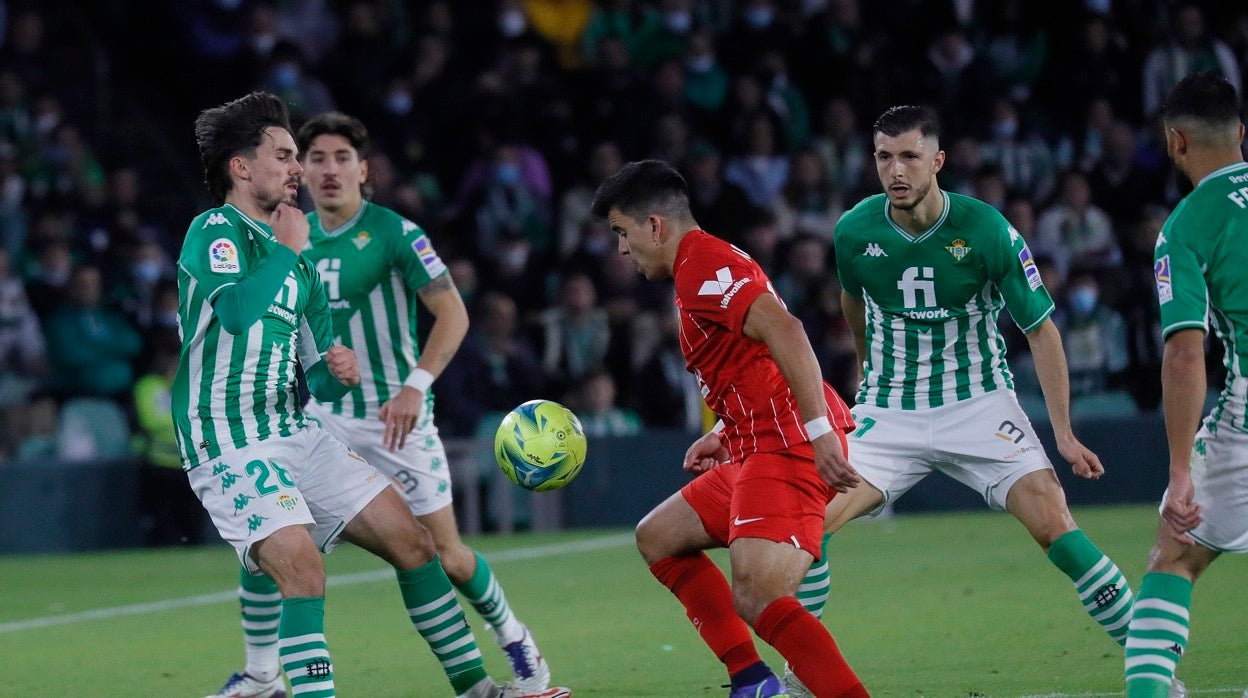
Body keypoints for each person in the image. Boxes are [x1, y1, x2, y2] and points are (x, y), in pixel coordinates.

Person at [176, 92, 552, 698]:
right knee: (301, 567)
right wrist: (289, 249)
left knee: (416, 542)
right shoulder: (215, 232)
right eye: (286, 156)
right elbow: (241, 313)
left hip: (296, 426)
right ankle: (263, 675)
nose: (299, 169)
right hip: (227, 436)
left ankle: (478, 688)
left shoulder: (308, 260)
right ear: (241, 168)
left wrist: (335, 370)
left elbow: (313, 372)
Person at [788, 105, 1136, 695]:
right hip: (890, 410)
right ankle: (803, 677)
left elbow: (1042, 329)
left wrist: (1064, 433)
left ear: (937, 161)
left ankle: (1152, 664)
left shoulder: (985, 229)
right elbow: (853, 302)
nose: (895, 170)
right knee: (807, 527)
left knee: (1055, 525)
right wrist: (868, 371)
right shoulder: (853, 230)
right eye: (883, 157)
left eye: (908, 157)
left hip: (978, 405)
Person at [591, 159, 868, 698]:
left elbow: (786, 330)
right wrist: (725, 430)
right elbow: (752, 356)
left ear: (655, 225)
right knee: (660, 538)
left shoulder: (701, 265)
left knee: (760, 597)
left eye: (622, 233)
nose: (621, 250)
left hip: (787, 443)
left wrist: (818, 432)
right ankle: (752, 682)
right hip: (755, 440)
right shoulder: (701, 263)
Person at [1123, 72, 1248, 698]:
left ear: (1176, 143)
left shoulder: (1188, 224)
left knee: (1174, 551)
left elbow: (1183, 354)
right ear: (1243, 134)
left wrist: (1179, 471)